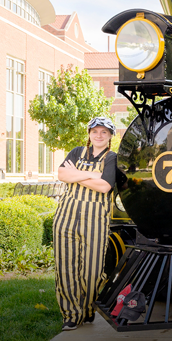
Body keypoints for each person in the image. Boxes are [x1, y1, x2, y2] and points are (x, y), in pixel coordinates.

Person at [53, 117, 117, 331]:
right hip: (65, 218)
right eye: (95, 131)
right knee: (66, 268)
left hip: (95, 220)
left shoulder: (112, 158)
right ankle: (71, 315)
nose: (99, 135)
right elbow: (62, 174)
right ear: (89, 133)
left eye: (104, 132)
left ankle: (88, 308)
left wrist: (76, 175)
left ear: (110, 136)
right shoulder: (76, 152)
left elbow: (104, 186)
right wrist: (91, 175)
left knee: (92, 270)